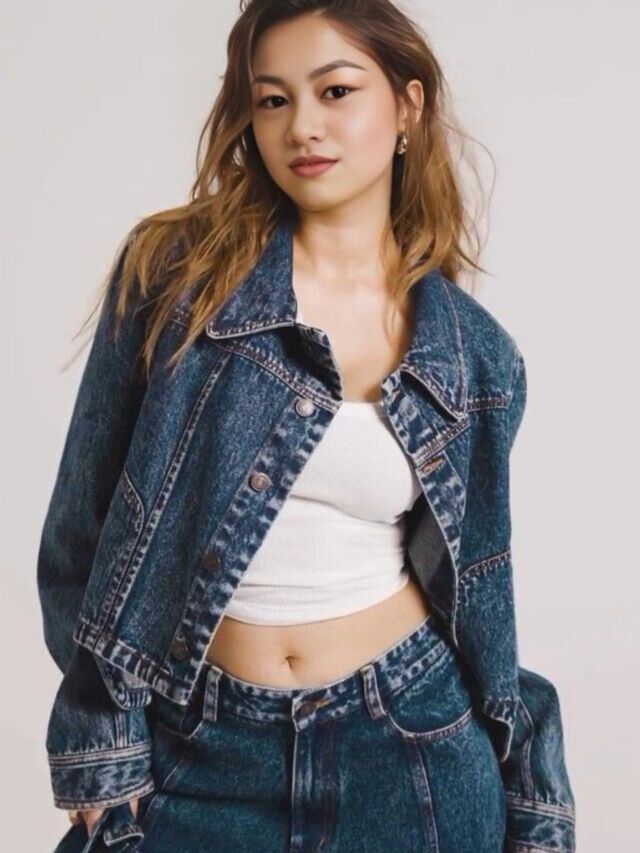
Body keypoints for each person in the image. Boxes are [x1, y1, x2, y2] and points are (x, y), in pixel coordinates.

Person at [38, 1, 576, 851]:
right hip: (197, 751)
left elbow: (481, 600)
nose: (302, 127)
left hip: (410, 752)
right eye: (273, 99)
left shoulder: (475, 357)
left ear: (408, 107)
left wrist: (534, 799)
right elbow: (81, 534)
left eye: (336, 91)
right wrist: (102, 742)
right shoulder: (176, 280)